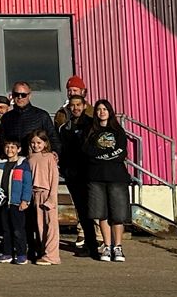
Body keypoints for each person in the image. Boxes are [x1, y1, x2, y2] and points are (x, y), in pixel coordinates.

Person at [83, 99, 132, 263]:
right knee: (101, 213)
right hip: (96, 178)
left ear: (110, 111)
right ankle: (107, 245)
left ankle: (118, 247)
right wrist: (103, 156)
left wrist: (101, 156)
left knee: (118, 214)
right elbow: (88, 151)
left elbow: (121, 152)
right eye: (98, 109)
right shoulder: (90, 131)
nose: (101, 112)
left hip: (117, 177)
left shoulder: (118, 131)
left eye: (105, 109)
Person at [57, 90, 96, 254]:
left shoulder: (92, 125)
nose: (75, 108)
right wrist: (65, 169)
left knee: (94, 209)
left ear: (84, 106)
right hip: (73, 174)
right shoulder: (65, 127)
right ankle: (89, 244)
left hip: (90, 173)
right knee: (81, 210)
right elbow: (62, 150)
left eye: (78, 105)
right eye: (72, 105)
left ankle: (103, 244)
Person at [0, 137, 33, 264]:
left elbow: (27, 184)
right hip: (2, 203)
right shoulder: (0, 163)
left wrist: (25, 200)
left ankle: (21, 254)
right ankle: (7, 253)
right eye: (7, 147)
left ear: (19, 149)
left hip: (16, 203)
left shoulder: (23, 165)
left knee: (18, 230)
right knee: (5, 229)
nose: (9, 149)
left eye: (13, 147)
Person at [28, 129, 61, 265]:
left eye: (39, 142)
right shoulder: (29, 158)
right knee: (40, 226)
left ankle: (52, 256)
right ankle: (44, 252)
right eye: (33, 143)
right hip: (34, 194)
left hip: (47, 193)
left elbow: (54, 178)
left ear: (45, 143)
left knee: (51, 226)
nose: (36, 145)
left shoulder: (49, 157)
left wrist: (52, 198)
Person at [0, 82, 60, 152]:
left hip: (35, 159)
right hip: (14, 159)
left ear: (29, 96)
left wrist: (55, 153)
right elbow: (2, 140)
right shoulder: (6, 117)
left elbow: (53, 139)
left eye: (23, 95)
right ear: (13, 96)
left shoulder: (42, 115)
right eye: (16, 94)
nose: (20, 97)